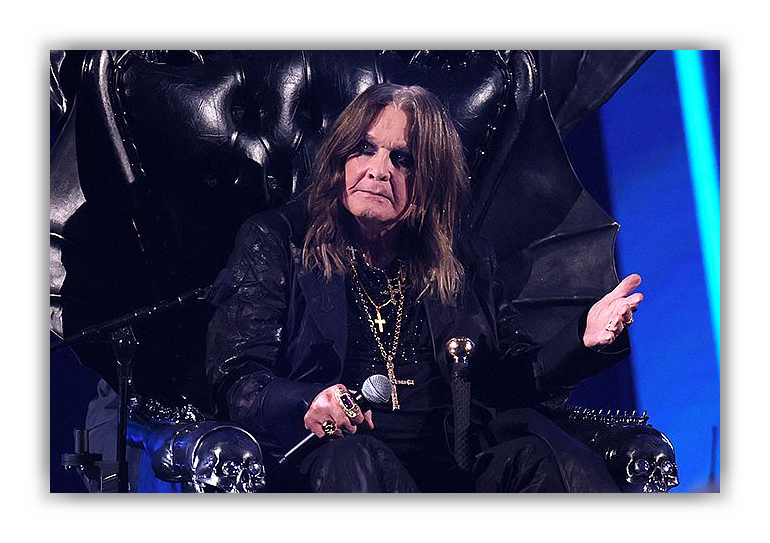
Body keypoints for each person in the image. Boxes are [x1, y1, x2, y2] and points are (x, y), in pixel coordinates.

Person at [205, 83, 643, 492]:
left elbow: (510, 382)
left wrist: (582, 338)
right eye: (364, 149)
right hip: (337, 463)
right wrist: (307, 402)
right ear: (341, 158)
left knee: (540, 458)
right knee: (353, 457)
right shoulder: (279, 240)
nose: (378, 171)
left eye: (403, 160)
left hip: (448, 468)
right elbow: (237, 380)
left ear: (431, 180)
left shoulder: (464, 258)